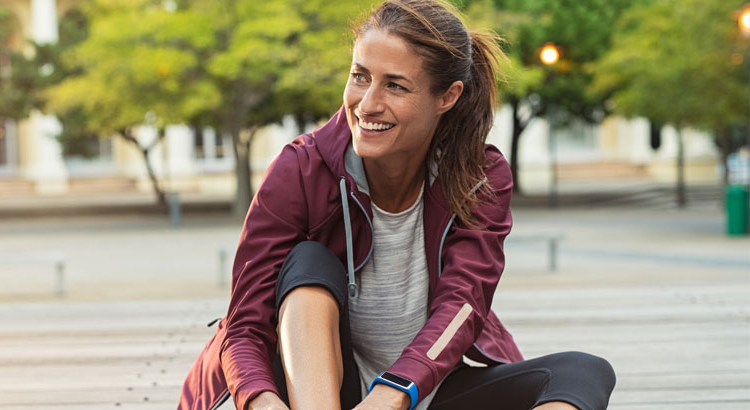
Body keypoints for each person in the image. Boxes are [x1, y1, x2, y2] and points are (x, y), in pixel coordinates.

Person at [178, 1, 616, 409]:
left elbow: (463, 304)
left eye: (396, 85)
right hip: (310, 394)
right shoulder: (301, 169)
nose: (367, 104)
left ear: (447, 96)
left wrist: (394, 393)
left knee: (583, 371)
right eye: (360, 76)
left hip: (417, 392)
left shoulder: (479, 177)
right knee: (308, 262)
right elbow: (244, 324)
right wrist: (260, 401)